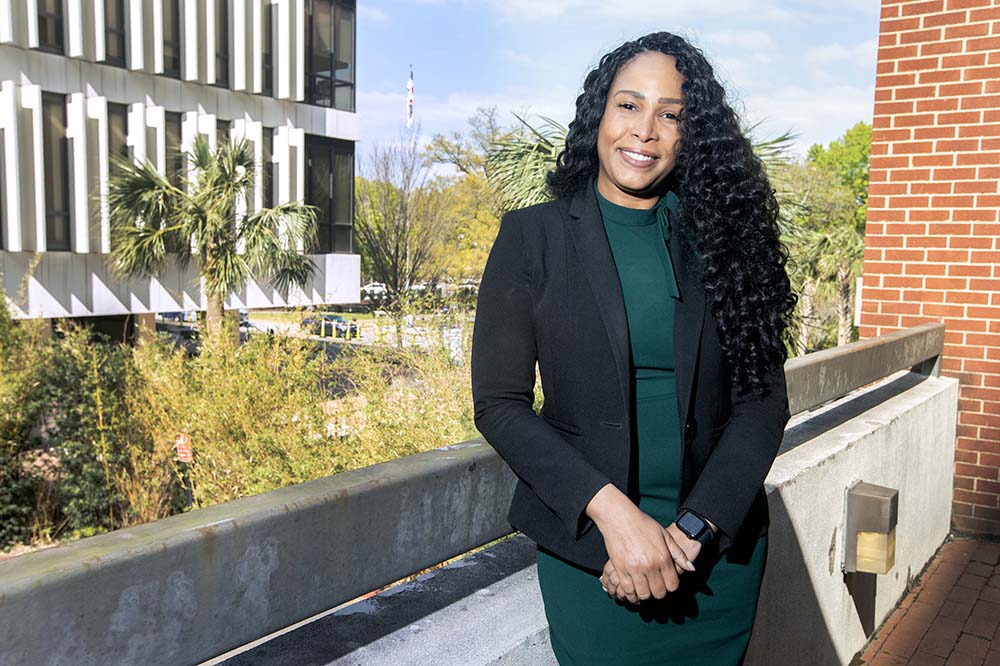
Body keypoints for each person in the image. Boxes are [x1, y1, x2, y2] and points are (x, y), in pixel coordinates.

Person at [470, 31, 797, 665]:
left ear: (689, 133)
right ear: (599, 112)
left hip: (714, 553)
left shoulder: (724, 238)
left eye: (670, 114)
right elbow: (499, 404)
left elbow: (763, 402)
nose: (644, 131)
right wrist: (616, 520)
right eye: (628, 105)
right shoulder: (530, 236)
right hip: (591, 551)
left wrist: (693, 532)